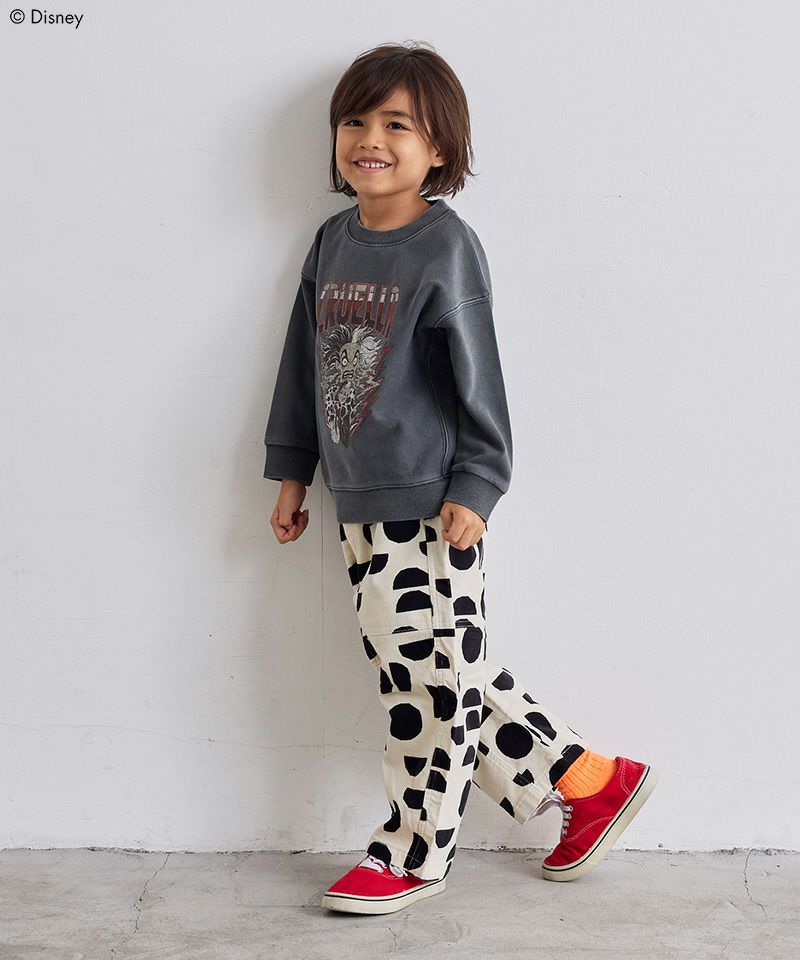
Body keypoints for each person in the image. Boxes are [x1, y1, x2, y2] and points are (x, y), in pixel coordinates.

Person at [262, 41, 658, 916]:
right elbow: (301, 364)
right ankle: (591, 780)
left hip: (432, 504)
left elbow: (480, 377)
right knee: (437, 671)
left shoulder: (446, 245)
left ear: (438, 146)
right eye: (355, 121)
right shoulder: (332, 241)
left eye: (396, 124)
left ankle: (413, 855)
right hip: (356, 501)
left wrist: (477, 483)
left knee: (430, 684)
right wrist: (291, 470)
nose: (371, 139)